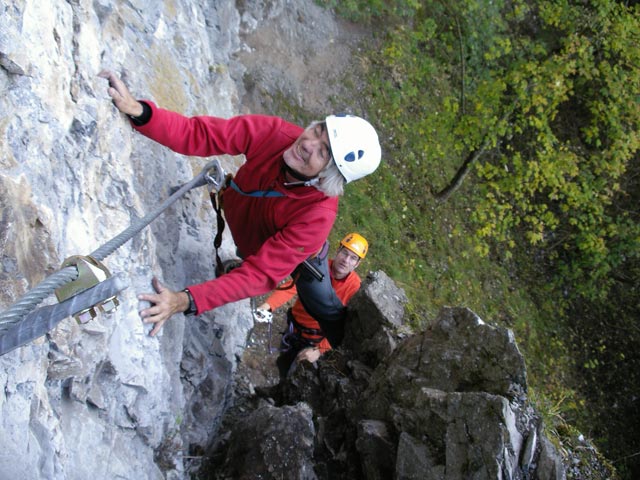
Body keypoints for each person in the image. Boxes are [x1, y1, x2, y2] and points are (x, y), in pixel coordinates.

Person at [98, 70, 381, 336]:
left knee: (318, 297)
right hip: (244, 220)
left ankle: (337, 336)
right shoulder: (277, 135)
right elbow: (200, 134)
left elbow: (259, 274)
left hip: (283, 253)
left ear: (328, 176)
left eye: (323, 152)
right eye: (318, 131)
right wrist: (141, 112)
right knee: (249, 260)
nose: (308, 144)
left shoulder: (316, 216)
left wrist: (184, 301)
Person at [256, 233, 368, 378]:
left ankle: (281, 392)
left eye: (353, 258)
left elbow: (345, 328)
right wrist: (268, 305)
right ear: (338, 250)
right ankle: (279, 379)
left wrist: (319, 350)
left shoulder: (354, 289)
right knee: (284, 360)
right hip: (294, 328)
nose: (346, 260)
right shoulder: (319, 268)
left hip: (315, 341)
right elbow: (292, 286)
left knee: (297, 375)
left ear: (357, 264)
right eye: (344, 253)